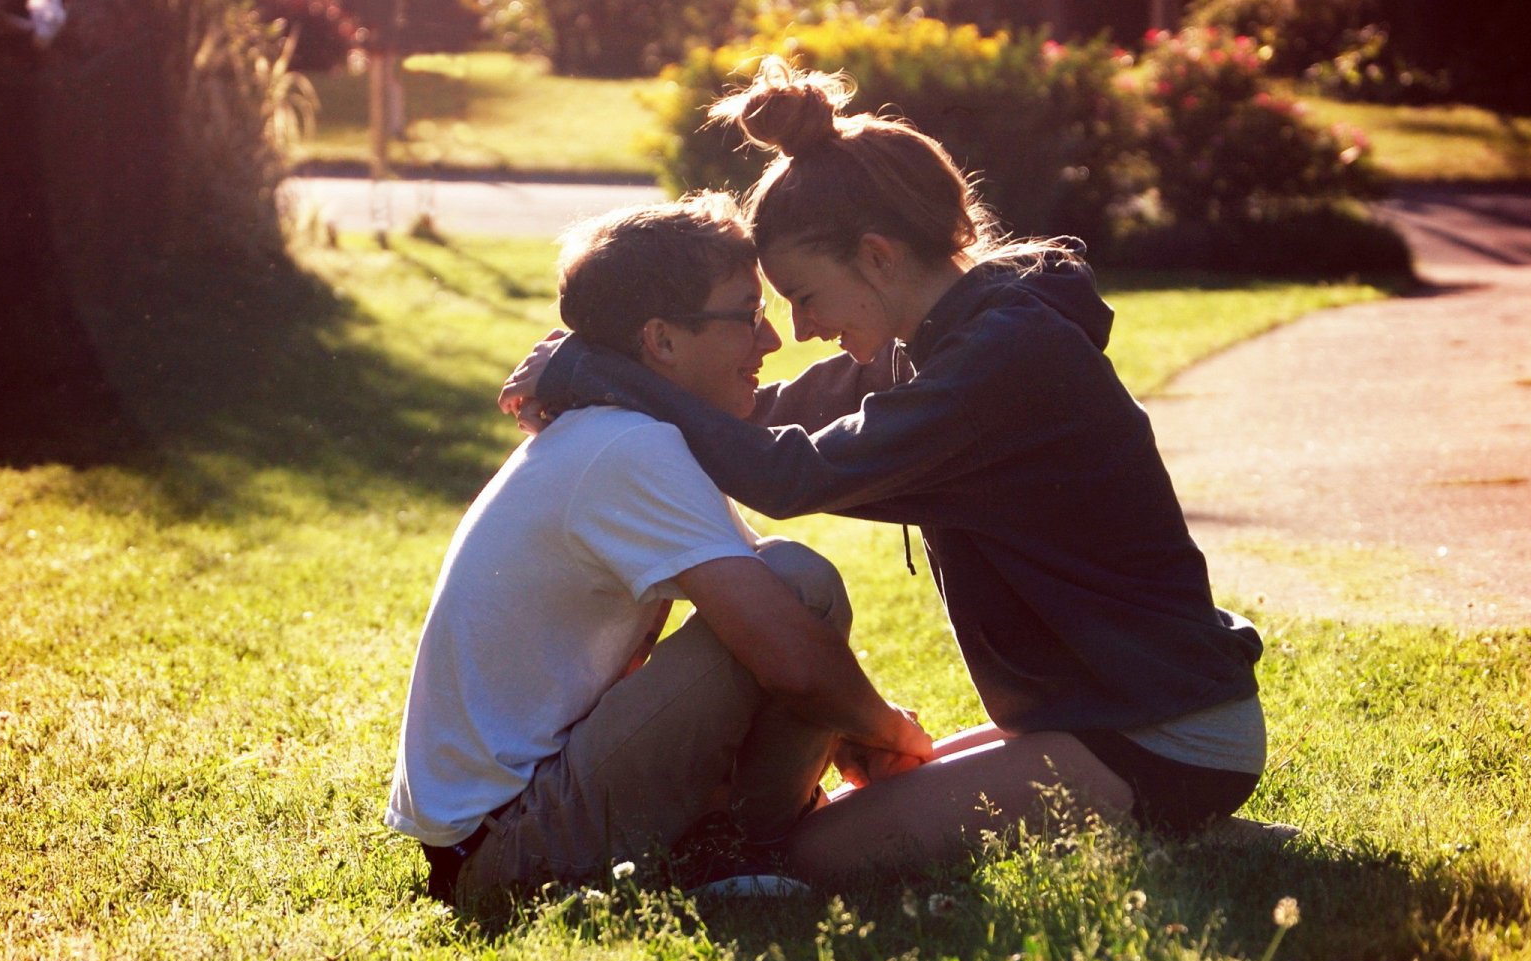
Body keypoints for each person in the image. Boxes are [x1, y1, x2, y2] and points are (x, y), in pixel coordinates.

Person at [508, 59, 1274, 884]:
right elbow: (755, 420)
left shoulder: (1005, 359)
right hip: (1100, 715)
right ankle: (1166, 818)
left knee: (819, 853)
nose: (800, 331)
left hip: (1166, 731)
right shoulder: (942, 341)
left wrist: (599, 374)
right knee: (864, 806)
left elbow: (787, 475)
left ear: (875, 256)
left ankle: (1175, 813)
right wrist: (630, 363)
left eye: (804, 296)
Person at [386, 192, 933, 904]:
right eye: (748, 316)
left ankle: (731, 846)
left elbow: (772, 642)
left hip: (498, 833)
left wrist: (848, 731)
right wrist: (889, 730)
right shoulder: (628, 446)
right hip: (506, 852)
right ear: (663, 342)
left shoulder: (623, 434)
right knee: (800, 584)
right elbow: (790, 654)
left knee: (785, 586)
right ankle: (736, 855)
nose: (771, 343)